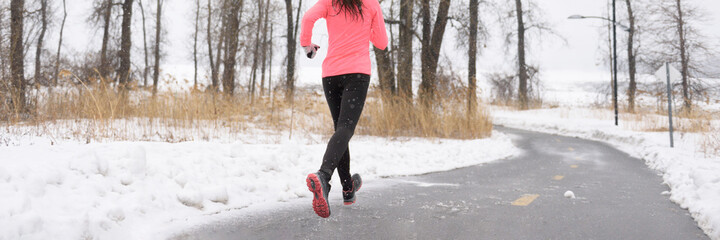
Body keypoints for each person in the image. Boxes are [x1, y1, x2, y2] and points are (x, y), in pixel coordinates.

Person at [300, 0, 388, 218]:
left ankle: (348, 188)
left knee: (340, 130)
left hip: (331, 74)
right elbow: (381, 43)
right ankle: (324, 176)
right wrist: (365, 26)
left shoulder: (330, 1)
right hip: (357, 74)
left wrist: (307, 46)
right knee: (345, 129)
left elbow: (308, 18)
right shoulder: (371, 4)